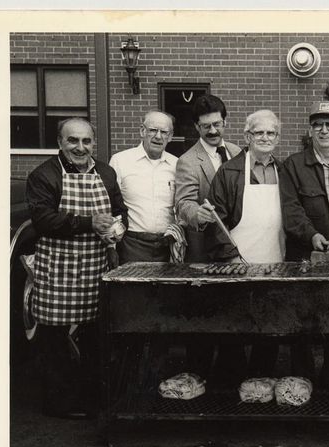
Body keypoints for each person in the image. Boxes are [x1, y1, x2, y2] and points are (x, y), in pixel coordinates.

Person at [25, 118, 127, 418]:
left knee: (96, 336)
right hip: (57, 267)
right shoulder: (44, 175)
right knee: (54, 339)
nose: (80, 148)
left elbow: (120, 211)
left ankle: (93, 398)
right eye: (73, 141)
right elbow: (43, 220)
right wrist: (89, 222)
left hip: (96, 266)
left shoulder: (106, 173)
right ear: (60, 142)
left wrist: (117, 229)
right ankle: (60, 404)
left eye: (86, 141)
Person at [280, 101, 329, 386]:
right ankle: (301, 386)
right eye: (318, 125)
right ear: (310, 131)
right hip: (305, 260)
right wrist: (311, 234)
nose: (324, 130)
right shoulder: (293, 165)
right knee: (302, 325)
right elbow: (291, 210)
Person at [207, 109, 285, 376]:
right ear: (247, 136)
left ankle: (260, 383)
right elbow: (215, 221)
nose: (265, 137)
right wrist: (230, 258)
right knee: (234, 330)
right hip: (237, 265)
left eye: (271, 132)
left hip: (275, 263)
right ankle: (231, 387)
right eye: (259, 132)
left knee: (269, 330)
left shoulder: (283, 170)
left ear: (278, 136)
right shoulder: (229, 172)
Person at [175, 94, 242, 262]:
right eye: (206, 126)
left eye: (217, 124)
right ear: (197, 127)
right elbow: (183, 203)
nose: (212, 131)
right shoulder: (187, 161)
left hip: (240, 241)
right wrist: (197, 213)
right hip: (207, 246)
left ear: (225, 122)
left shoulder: (237, 152)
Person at [110, 110, 181, 263]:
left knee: (167, 287)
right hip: (132, 245)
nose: (158, 136)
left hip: (166, 245)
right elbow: (111, 205)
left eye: (164, 132)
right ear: (142, 131)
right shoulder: (120, 161)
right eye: (153, 130)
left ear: (170, 137)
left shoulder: (177, 165)